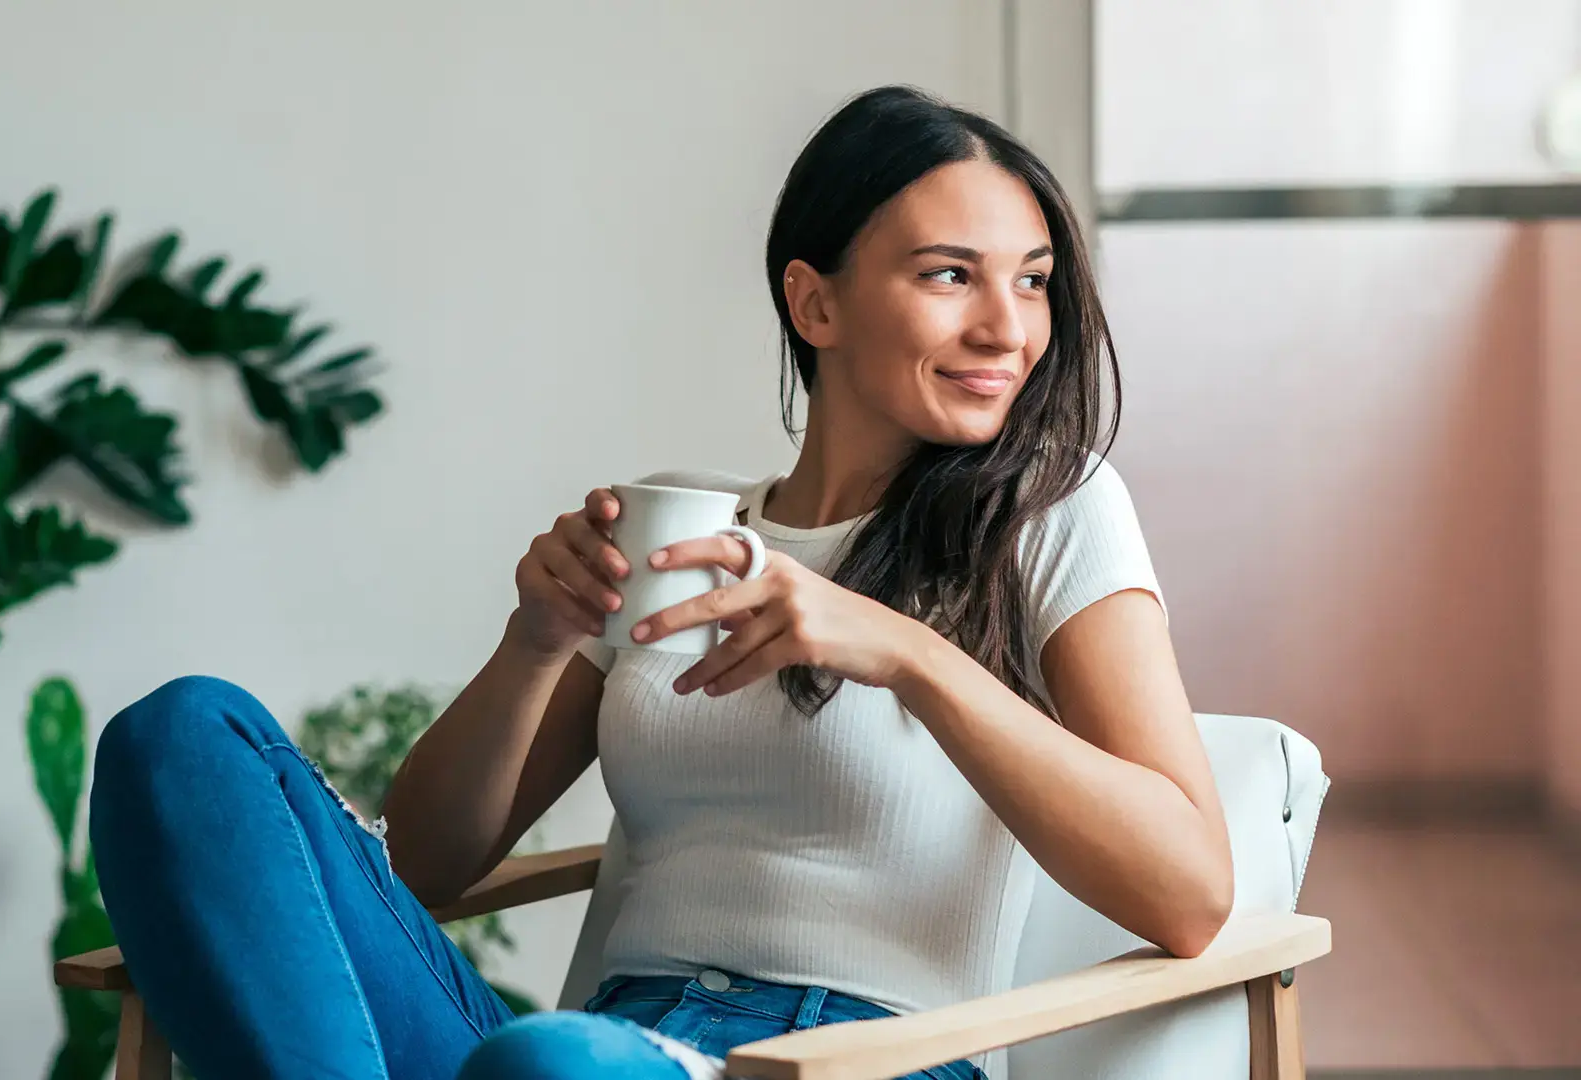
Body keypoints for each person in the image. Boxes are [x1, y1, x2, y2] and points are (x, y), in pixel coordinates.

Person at [88, 85, 1233, 1080]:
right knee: (181, 737)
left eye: (1032, 283)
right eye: (950, 276)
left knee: (547, 1060)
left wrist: (899, 649)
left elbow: (1188, 891)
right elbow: (427, 868)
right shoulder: (678, 523)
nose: (1008, 328)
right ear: (814, 302)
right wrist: (534, 643)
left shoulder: (1048, 514)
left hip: (861, 1058)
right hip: (609, 1047)